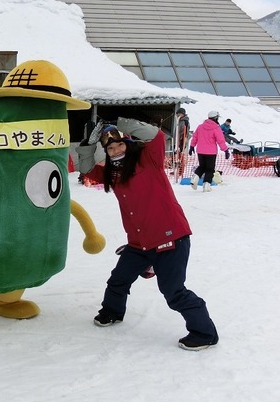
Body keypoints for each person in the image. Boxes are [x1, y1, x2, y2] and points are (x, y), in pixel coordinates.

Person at [76, 117, 218, 351]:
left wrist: (121, 122)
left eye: (120, 144)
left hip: (169, 238)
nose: (116, 150)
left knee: (174, 292)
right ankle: (112, 311)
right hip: (139, 243)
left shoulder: (148, 159)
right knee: (118, 280)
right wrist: (87, 144)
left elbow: (156, 135)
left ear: (128, 143)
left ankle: (205, 333)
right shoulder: (113, 173)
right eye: (110, 148)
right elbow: (86, 169)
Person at [189, 110, 230, 192]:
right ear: (215, 118)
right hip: (211, 152)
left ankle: (194, 179)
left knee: (202, 166)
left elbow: (195, 137)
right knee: (210, 169)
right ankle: (206, 185)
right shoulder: (216, 128)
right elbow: (220, 140)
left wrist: (192, 146)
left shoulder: (200, 126)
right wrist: (225, 150)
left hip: (200, 151)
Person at [174, 108, 190, 177]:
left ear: (183, 114)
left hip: (182, 140)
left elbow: (185, 133)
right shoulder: (179, 121)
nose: (178, 115)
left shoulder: (185, 122)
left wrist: (182, 142)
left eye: (179, 114)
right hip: (177, 140)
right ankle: (176, 169)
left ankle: (180, 171)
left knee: (181, 156)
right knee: (176, 155)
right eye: (177, 114)